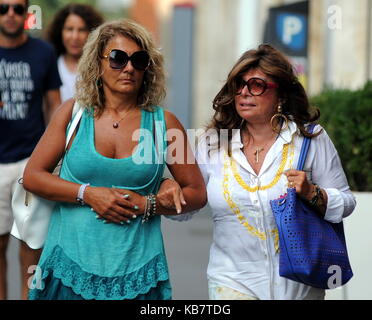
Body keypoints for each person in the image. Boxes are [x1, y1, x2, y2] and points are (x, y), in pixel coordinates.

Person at [23, 19, 206, 300]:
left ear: (148, 69)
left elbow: (196, 193)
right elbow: (34, 176)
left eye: (139, 60)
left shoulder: (165, 123)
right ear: (98, 64)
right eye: (118, 59)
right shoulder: (73, 114)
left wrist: (149, 204)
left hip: (138, 273)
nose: (129, 68)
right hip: (68, 267)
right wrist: (88, 194)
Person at [174, 44, 356, 300]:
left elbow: (347, 202)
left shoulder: (309, 138)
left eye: (256, 85)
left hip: (299, 286)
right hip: (231, 281)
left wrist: (312, 193)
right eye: (239, 84)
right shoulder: (213, 143)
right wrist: (162, 193)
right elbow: (190, 202)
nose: (244, 93)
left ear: (280, 95)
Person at [0, 0, 61, 300]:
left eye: (17, 9)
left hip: (30, 162)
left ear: (27, 13)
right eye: (3, 8)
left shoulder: (43, 52)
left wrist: (55, 156)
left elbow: (54, 106)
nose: (10, 14)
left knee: (31, 250)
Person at [46, 3, 104, 102]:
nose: (75, 37)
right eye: (69, 29)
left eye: (81, 30)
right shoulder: (49, 64)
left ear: (92, 33)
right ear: (60, 31)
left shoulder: (100, 68)